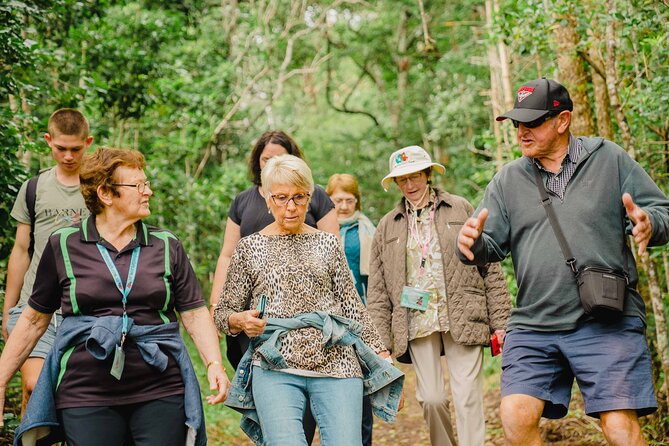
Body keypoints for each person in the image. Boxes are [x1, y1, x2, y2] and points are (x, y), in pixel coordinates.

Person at [456, 78, 669, 446]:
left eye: (533, 122)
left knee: (620, 428)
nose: (521, 132)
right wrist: (469, 245)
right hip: (535, 322)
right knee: (515, 415)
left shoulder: (609, 159)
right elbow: (490, 243)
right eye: (517, 124)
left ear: (563, 120)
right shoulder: (508, 179)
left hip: (606, 318)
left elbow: (660, 210)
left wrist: (650, 224)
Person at [0, 147, 230, 446]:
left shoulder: (166, 244)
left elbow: (194, 312)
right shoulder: (64, 244)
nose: (148, 191)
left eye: (146, 183)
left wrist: (214, 364)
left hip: (159, 386)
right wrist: (2, 380)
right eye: (138, 186)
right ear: (106, 194)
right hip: (85, 391)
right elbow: (33, 320)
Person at [214, 154, 403, 446]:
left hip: (336, 361)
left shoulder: (327, 243)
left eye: (299, 197)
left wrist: (383, 358)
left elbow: (352, 305)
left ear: (309, 197)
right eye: (281, 198)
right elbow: (223, 312)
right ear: (267, 198)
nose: (290, 207)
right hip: (275, 364)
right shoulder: (248, 248)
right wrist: (240, 320)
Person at [367, 145, 511, 446]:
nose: (409, 185)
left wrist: (501, 322)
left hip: (463, 309)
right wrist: (380, 344)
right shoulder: (386, 227)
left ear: (428, 174)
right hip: (416, 318)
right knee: (431, 398)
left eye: (415, 176)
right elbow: (378, 292)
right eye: (402, 180)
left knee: (467, 397)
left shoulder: (459, 208)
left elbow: (490, 267)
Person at [209, 131, 337, 443]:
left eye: (281, 158)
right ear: (259, 163)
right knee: (262, 382)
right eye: (267, 159)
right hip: (255, 313)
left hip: (309, 318)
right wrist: (217, 306)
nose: (273, 164)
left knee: (304, 389)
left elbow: (334, 255)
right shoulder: (243, 200)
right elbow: (228, 253)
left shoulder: (316, 196)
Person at [2, 108, 93, 417]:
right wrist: (8, 310)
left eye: (75, 149)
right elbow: (21, 250)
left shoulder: (97, 189)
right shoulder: (33, 188)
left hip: (83, 311)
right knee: (35, 385)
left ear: (88, 143)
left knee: (68, 394)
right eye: (61, 148)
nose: (68, 156)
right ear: (48, 141)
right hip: (34, 307)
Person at [326, 173, 376, 445]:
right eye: (337, 201)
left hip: (360, 318)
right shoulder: (317, 230)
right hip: (327, 319)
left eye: (349, 200)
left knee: (361, 388)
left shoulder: (366, 229)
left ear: (357, 201)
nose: (343, 206)